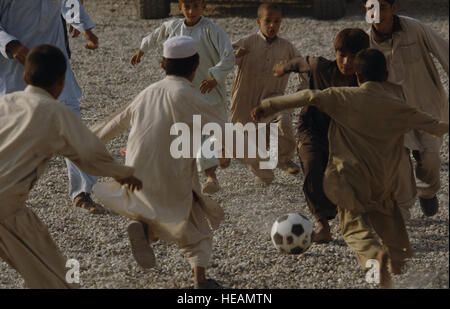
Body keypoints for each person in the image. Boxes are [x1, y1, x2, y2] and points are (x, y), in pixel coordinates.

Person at [252, 49, 449, 288]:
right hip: (386, 181)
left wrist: (269, 105)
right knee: (389, 219)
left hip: (349, 179)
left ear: (357, 76)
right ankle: (395, 256)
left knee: (354, 230)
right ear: (386, 76)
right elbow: (436, 127)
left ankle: (373, 258)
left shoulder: (343, 96)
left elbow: (309, 96)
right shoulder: (398, 106)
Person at [0, 44, 142, 289]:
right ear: (61, 83)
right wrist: (123, 173)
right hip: (6, 206)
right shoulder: (56, 113)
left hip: (10, 206)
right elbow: (89, 154)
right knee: (57, 276)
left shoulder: (5, 102)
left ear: (24, 76)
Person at [93, 36, 226, 289]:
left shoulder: (146, 93)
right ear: (196, 65)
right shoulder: (188, 95)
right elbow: (222, 129)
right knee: (197, 227)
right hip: (173, 175)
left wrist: (84, 143)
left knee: (158, 212)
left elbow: (115, 122)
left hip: (135, 175)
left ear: (162, 65)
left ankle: (147, 231)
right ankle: (201, 280)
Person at [0, 0, 103, 213]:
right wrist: (11, 45)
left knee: (70, 122)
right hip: (14, 67)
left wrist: (84, 26)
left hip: (53, 61)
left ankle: (82, 192)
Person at [272, 28, 371, 243]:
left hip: (346, 136)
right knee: (312, 165)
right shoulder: (320, 67)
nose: (346, 62)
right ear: (335, 53)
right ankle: (322, 224)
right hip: (313, 129)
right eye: (342, 55)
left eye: (353, 57)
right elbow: (300, 62)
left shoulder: (367, 80)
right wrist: (283, 68)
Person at [130, 0, 235, 194]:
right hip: (184, 91)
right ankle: (210, 177)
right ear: (180, 7)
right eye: (187, 6)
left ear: (204, 6)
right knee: (194, 134)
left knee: (214, 129)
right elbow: (157, 34)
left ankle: (222, 148)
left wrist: (215, 77)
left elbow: (229, 56)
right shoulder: (174, 27)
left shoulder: (213, 31)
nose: (191, 11)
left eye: (196, 6)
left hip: (210, 91)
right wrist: (142, 49)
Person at [366, 0, 449, 218]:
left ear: (394, 7)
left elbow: (445, 51)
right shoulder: (364, 42)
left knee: (430, 161)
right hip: (394, 115)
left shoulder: (415, 28)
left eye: (382, 7)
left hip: (426, 107)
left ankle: (427, 191)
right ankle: (401, 213)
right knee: (398, 166)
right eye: (370, 8)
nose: (376, 13)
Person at [229, 3, 301, 185]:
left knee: (284, 120)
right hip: (245, 101)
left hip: (272, 98)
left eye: (276, 21)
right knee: (249, 143)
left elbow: (302, 65)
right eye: (267, 21)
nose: (272, 25)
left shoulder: (286, 47)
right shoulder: (248, 42)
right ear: (258, 21)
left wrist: (303, 87)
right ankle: (264, 174)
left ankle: (284, 159)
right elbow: (223, 56)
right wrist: (235, 55)